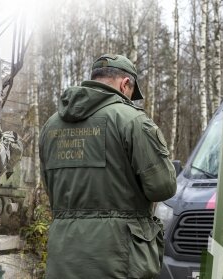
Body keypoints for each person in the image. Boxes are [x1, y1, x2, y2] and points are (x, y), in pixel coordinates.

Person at [39, 54, 177, 278]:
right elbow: (163, 187)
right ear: (125, 84)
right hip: (119, 259)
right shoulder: (132, 121)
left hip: (63, 257)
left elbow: (50, 187)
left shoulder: (50, 126)